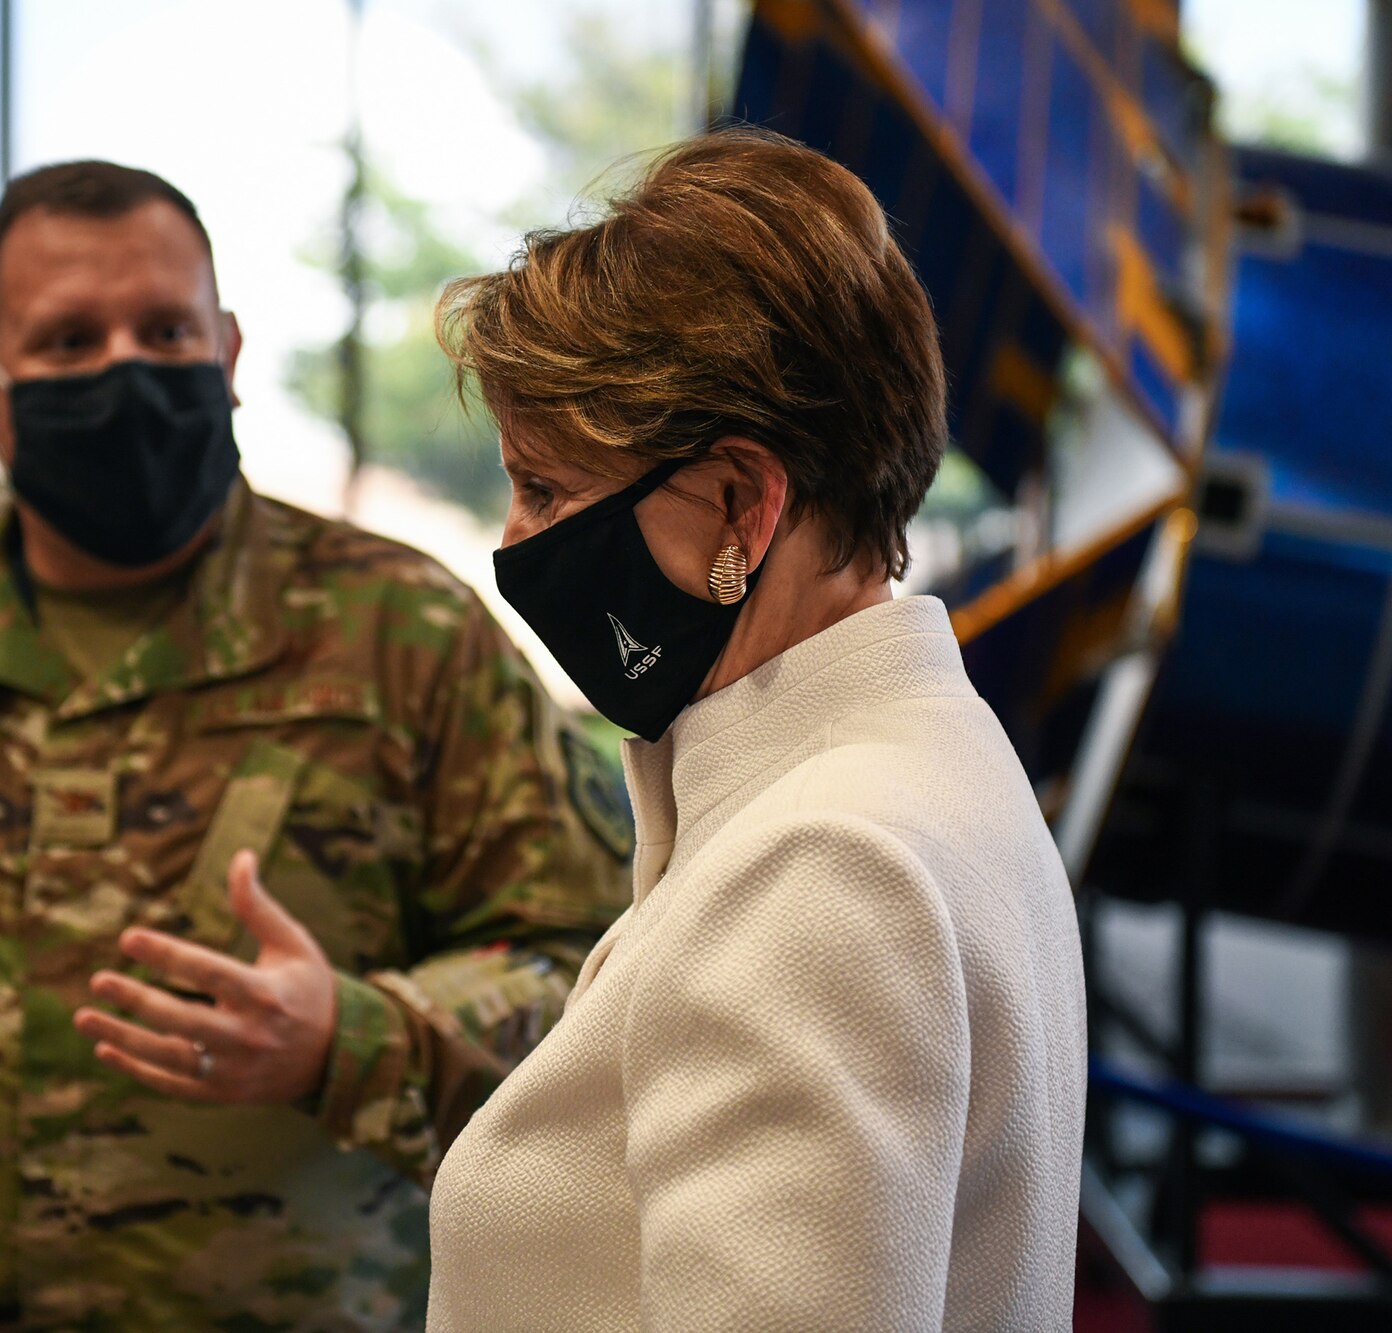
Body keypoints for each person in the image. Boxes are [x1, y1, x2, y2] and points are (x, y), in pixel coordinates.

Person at [0, 161, 632, 1331]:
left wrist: (348, 1038)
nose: (123, 372)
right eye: (67, 341)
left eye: (163, 329)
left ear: (229, 351)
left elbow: (595, 984)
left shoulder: (406, 635)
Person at [425, 128, 1088, 1331]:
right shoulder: (923, 764)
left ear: (739, 499)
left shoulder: (823, 866)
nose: (517, 544)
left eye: (547, 489)